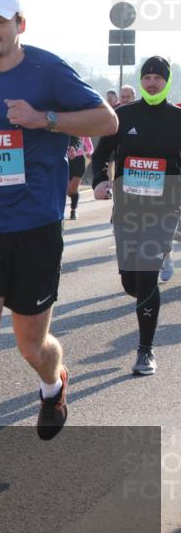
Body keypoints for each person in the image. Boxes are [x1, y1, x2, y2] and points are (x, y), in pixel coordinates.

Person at [0, 0, 118, 508]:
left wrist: (46, 120)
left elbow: (106, 121)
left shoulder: (48, 71)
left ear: (19, 24)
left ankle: (53, 383)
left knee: (31, 345)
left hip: (35, 225)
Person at [92, 56, 181, 375]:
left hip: (164, 208)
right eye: (147, 78)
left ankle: (145, 350)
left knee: (146, 274)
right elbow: (101, 154)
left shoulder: (177, 118)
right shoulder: (124, 115)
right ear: (141, 81)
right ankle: (147, 284)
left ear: (167, 82)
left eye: (158, 78)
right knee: (131, 281)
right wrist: (100, 180)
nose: (152, 83)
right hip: (128, 208)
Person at [65, 135, 93, 220]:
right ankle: (76, 195)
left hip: (79, 160)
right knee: (69, 191)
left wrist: (89, 153)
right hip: (66, 159)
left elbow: (89, 145)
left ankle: (73, 210)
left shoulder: (82, 129)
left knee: (73, 188)